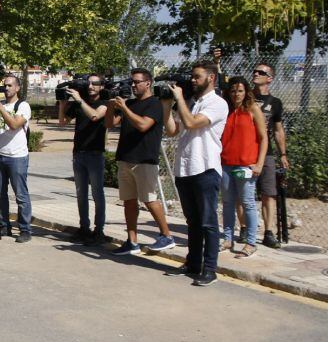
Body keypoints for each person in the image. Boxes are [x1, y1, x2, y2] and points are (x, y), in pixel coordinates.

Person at [164, 61, 230, 286]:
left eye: (197, 76)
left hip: (205, 168)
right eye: (192, 76)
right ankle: (193, 262)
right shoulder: (191, 103)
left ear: (211, 78)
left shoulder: (218, 103)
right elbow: (173, 130)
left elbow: (192, 124)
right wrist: (166, 105)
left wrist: (180, 98)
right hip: (185, 168)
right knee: (192, 220)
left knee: (208, 222)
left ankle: (210, 269)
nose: (192, 80)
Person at [105, 68, 176, 255]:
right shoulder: (130, 103)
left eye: (137, 82)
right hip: (125, 158)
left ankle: (167, 235)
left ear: (148, 83)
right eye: (132, 82)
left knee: (149, 199)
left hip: (144, 159)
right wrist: (112, 104)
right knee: (128, 201)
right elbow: (110, 123)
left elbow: (144, 125)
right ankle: (132, 241)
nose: (134, 85)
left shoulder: (155, 104)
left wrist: (125, 108)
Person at [0, 75, 32, 243]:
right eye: (5, 85)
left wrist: (0, 106)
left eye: (10, 85)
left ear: (17, 88)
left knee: (21, 195)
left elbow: (14, 125)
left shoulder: (22, 105)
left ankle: (25, 229)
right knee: (0, 195)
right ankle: (4, 226)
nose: (7, 88)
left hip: (17, 157)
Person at [220, 76, 268, 257]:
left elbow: (264, 138)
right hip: (226, 163)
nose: (236, 94)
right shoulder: (227, 110)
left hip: (246, 165)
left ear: (246, 92)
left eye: (239, 91)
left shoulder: (253, 109)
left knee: (248, 203)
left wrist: (259, 163)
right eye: (233, 91)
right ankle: (228, 238)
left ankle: (251, 241)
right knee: (227, 203)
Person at [58, 75, 108, 244]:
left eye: (95, 83)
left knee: (97, 194)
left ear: (101, 86)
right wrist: (63, 104)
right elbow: (62, 122)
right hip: (78, 153)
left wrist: (79, 100)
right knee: (81, 194)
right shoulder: (80, 103)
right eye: (89, 83)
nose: (91, 86)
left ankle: (99, 230)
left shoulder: (105, 103)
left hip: (95, 153)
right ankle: (84, 228)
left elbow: (95, 116)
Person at [252, 62, 289, 248]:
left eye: (261, 72)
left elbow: (278, 130)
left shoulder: (275, 103)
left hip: (266, 154)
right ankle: (245, 230)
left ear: (269, 78)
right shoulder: (244, 97)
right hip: (246, 151)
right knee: (244, 194)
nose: (256, 74)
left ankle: (268, 232)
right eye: (255, 71)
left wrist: (283, 154)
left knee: (269, 193)